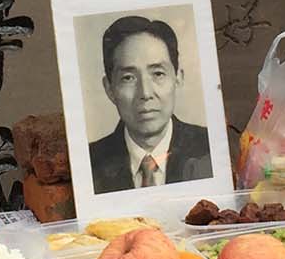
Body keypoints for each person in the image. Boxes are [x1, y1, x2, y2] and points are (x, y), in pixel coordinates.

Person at [88, 15, 213, 193]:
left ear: (178, 78)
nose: (145, 93)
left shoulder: (210, 148)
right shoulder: (89, 163)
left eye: (158, 74)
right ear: (109, 88)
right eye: (128, 78)